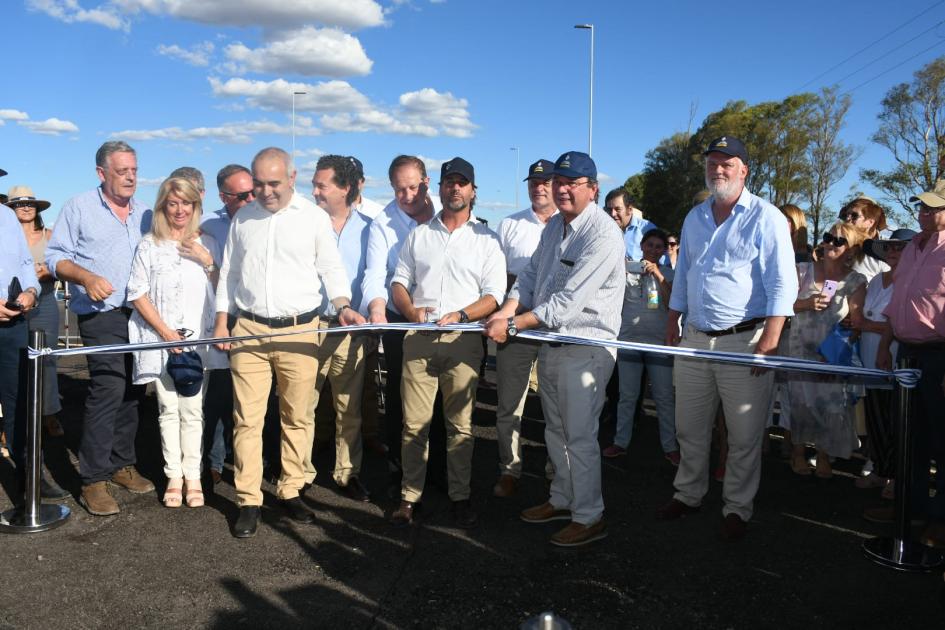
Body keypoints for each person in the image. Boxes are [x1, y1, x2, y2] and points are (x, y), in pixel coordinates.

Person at [213, 147, 364, 538]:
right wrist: (220, 322)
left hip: (300, 329)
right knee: (247, 418)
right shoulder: (244, 218)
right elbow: (228, 274)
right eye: (259, 183)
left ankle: (291, 488)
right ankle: (248, 499)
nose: (265, 192)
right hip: (249, 329)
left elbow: (330, 266)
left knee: (298, 416)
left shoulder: (313, 218)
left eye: (274, 183)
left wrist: (343, 304)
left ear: (292, 177)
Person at [657, 136, 798, 541]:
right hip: (696, 339)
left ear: (744, 170)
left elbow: (781, 285)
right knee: (690, 426)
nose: (718, 169)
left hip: (745, 341)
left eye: (727, 163)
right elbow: (683, 275)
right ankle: (688, 494)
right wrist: (673, 320)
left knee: (744, 433)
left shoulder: (767, 217)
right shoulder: (694, 217)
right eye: (713, 162)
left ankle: (737, 507)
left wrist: (769, 343)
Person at [485, 151, 625, 548]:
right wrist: (509, 309)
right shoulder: (554, 228)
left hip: (587, 348)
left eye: (572, 183)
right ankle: (563, 499)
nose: (562, 189)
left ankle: (589, 515)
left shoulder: (603, 234)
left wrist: (510, 324)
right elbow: (530, 278)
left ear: (592, 190)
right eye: (559, 182)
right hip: (551, 344)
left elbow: (566, 303)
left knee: (580, 435)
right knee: (556, 430)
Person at [388, 157, 505, 529]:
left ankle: (460, 497)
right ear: (438, 188)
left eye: (462, 182)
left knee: (460, 427)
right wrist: (409, 312)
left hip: (463, 343)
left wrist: (462, 315)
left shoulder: (487, 240)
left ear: (472, 191)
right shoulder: (420, 235)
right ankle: (409, 497)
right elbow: (398, 283)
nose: (454, 188)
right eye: (448, 182)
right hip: (418, 340)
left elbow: (494, 296)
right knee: (414, 426)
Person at [46, 140, 155, 516]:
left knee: (134, 390)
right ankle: (93, 479)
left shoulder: (145, 213)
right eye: (122, 171)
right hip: (100, 312)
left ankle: (122, 464)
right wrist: (86, 276)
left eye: (134, 170)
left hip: (140, 315)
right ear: (101, 173)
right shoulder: (78, 207)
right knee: (108, 387)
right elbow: (55, 256)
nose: (130, 177)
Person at [127, 177, 222, 508]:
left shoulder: (207, 242)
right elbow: (136, 292)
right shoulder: (148, 245)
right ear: (163, 206)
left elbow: (225, 289)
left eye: (187, 203)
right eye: (173, 203)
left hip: (199, 340)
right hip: (159, 339)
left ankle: (194, 475)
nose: (180, 210)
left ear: (196, 206)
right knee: (167, 408)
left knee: (193, 410)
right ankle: (174, 475)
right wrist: (165, 332)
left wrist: (205, 259)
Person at [361, 155, 441, 492]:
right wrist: (376, 307)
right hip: (397, 313)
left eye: (413, 187)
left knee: (439, 388)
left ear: (426, 181)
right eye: (399, 190)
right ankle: (399, 464)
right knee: (397, 390)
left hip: (440, 313)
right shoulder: (383, 222)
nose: (407, 195)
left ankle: (439, 462)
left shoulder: (444, 210)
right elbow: (375, 273)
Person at [876, 181, 945, 547]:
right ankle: (912, 507)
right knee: (911, 438)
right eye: (922, 206)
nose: (924, 212)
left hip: (939, 357)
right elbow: (896, 302)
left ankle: (940, 518)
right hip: (907, 353)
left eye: (933, 208)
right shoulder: (913, 249)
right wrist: (885, 346)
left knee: (941, 441)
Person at [303, 155, 373, 502]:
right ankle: (299, 473)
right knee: (302, 405)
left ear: (345, 188)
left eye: (321, 185)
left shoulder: (370, 227)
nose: (314, 191)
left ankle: (347, 473)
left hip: (350, 331)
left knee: (349, 407)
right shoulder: (301, 223)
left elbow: (374, 277)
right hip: (310, 326)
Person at [491, 158, 557, 497]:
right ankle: (509, 468)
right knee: (509, 402)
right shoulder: (509, 225)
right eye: (533, 182)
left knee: (555, 405)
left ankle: (555, 469)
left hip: (555, 324)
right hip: (515, 319)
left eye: (545, 181)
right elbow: (497, 274)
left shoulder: (568, 226)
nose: (538, 186)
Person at [785, 222, 868, 477]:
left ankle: (823, 455)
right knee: (800, 404)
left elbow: (857, 324)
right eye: (828, 237)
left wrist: (850, 329)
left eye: (839, 240)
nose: (831, 242)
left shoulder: (856, 280)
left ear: (852, 250)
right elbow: (781, 306)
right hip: (800, 349)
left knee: (831, 406)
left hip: (830, 356)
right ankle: (797, 454)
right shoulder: (802, 271)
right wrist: (806, 302)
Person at [602, 228, 678, 464]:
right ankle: (620, 442)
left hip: (659, 344)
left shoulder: (669, 273)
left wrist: (658, 275)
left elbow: (672, 303)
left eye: (659, 246)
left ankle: (670, 446)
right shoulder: (627, 270)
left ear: (664, 250)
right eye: (650, 245)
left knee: (664, 397)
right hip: (629, 342)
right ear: (642, 246)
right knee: (628, 396)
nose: (653, 250)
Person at [200, 164, 255, 485]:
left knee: (254, 395)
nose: (251, 199)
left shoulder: (266, 219)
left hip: (257, 318)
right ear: (224, 196)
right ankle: (215, 461)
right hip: (223, 318)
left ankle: (254, 459)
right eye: (243, 195)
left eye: (254, 192)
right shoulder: (210, 226)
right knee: (219, 393)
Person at [850, 229, 915, 497]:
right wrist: (864, 325)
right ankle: (880, 469)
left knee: (897, 420)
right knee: (876, 416)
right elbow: (865, 319)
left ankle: (896, 476)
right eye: (889, 248)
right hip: (869, 361)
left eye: (899, 248)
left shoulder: (913, 281)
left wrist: (869, 327)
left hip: (895, 359)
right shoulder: (876, 280)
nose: (892, 253)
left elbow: (899, 324)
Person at [0, 169, 47, 504]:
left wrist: (30, 291)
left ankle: (29, 480)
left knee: (18, 403)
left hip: (13, 323)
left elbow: (25, 265)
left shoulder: (6, 218)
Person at [6, 186, 65, 440]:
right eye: (19, 204)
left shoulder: (50, 236)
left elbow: (64, 266)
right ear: (10, 209)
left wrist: (47, 272)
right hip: (10, 305)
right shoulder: (4, 235)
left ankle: (49, 414)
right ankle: (12, 420)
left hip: (45, 304)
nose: (26, 207)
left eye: (30, 204)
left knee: (46, 362)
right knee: (12, 363)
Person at [838, 197, 889, 281]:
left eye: (854, 216)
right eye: (845, 215)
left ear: (870, 222)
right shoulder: (834, 245)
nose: (847, 219)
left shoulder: (884, 251)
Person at [604, 188, 657, 260]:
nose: (613, 214)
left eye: (617, 209)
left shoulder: (647, 229)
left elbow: (663, 263)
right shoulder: (603, 231)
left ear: (629, 210)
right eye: (609, 209)